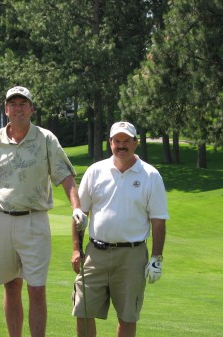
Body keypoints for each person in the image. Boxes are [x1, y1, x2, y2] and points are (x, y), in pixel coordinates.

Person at [0, 86, 87, 337]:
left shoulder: (46, 139)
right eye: (13, 103)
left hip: (35, 221)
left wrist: (76, 207)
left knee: (36, 289)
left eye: (24, 103)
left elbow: (65, 177)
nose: (18, 108)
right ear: (6, 109)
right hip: (1, 221)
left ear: (32, 109)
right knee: (11, 287)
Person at [71, 121, 169, 337]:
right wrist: (76, 249)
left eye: (126, 141)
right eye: (117, 141)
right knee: (83, 308)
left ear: (135, 143)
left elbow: (158, 220)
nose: (121, 145)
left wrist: (156, 258)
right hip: (95, 254)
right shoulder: (95, 171)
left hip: (132, 255)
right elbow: (80, 213)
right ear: (110, 143)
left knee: (127, 315)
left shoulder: (150, 175)